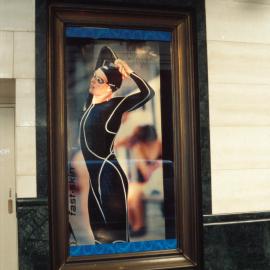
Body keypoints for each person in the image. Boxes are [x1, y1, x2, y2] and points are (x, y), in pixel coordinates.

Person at [79, 46, 155, 243]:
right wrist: (113, 60)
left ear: (111, 87)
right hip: (94, 181)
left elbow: (148, 92)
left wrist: (128, 71)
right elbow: (103, 51)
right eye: (93, 77)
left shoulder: (115, 105)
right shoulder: (89, 105)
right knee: (99, 238)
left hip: (110, 177)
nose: (93, 81)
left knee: (118, 239)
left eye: (99, 80)